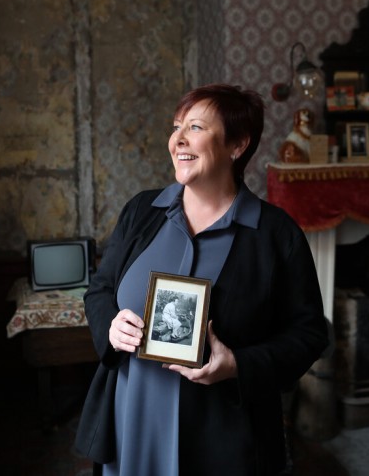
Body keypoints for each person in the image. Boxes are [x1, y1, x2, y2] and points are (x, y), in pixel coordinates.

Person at [75, 83, 329, 475]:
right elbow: (101, 289)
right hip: (131, 414)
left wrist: (238, 365)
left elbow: (310, 333)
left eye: (195, 127)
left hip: (223, 435)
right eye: (176, 126)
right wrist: (110, 325)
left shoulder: (276, 234)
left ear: (237, 145)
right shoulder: (142, 211)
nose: (178, 139)